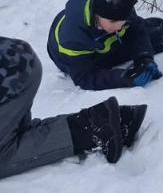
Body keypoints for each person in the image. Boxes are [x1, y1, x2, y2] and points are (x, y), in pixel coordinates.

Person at [0, 36, 146, 179]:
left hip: (10, 75)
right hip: (16, 57)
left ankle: (93, 127)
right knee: (12, 132)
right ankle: (114, 120)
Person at [47, 0, 163, 91]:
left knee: (148, 34)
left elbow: (135, 29)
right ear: (97, 15)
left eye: (123, 21)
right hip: (75, 58)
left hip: (102, 31)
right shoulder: (73, 39)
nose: (118, 26)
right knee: (158, 40)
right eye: (113, 21)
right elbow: (84, 77)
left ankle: (140, 25)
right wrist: (124, 77)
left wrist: (144, 57)